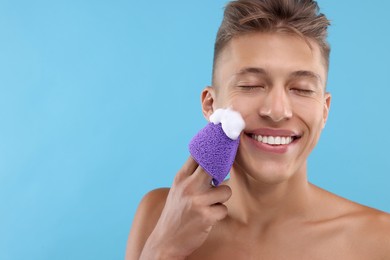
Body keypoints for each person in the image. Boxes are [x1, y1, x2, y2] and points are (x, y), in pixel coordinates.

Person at [126, 0, 390, 259]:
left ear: (324, 110)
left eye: (301, 89)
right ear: (210, 104)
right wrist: (163, 249)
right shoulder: (158, 216)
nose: (277, 111)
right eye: (251, 85)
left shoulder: (380, 241)